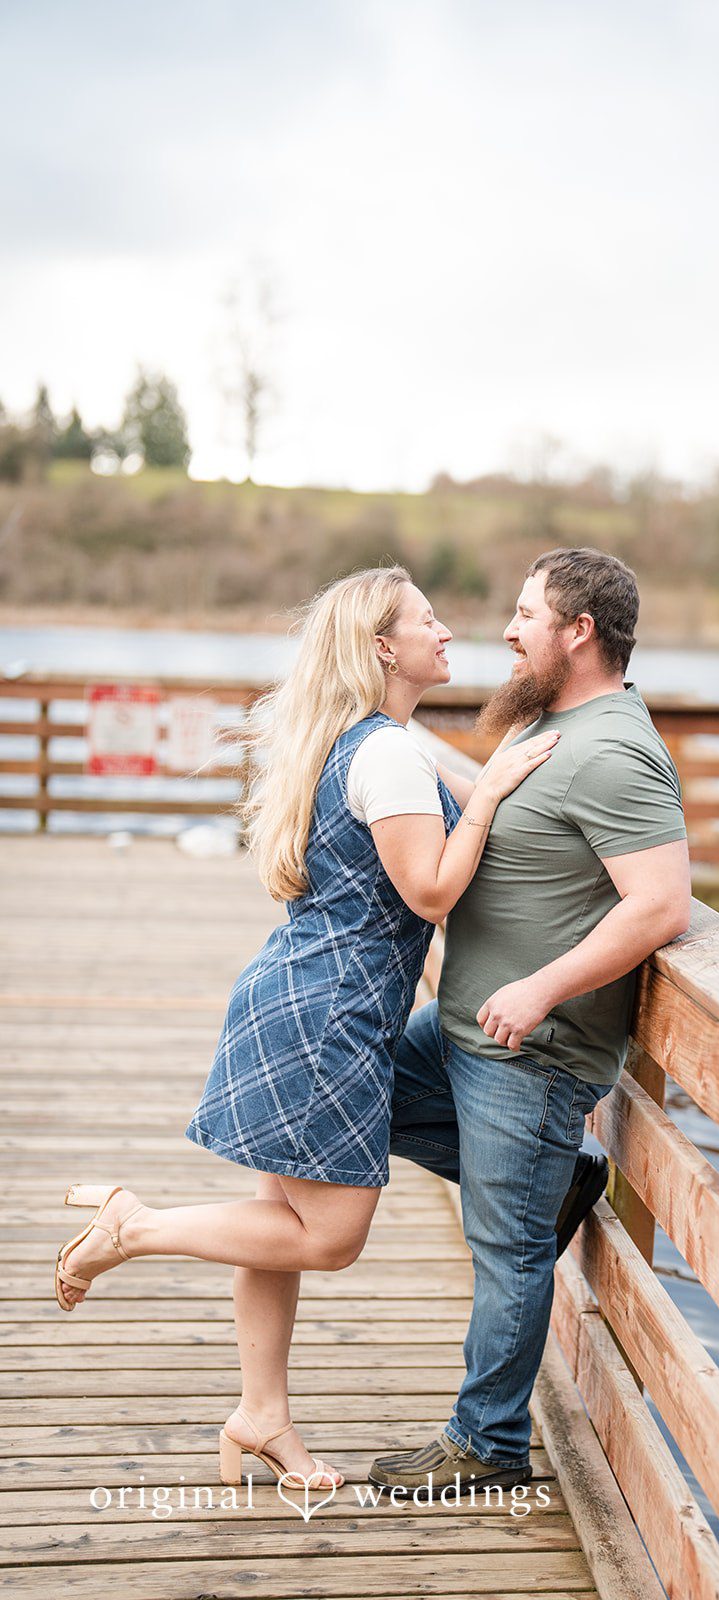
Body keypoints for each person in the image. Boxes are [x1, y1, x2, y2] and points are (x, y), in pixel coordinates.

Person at [51, 566, 559, 1492]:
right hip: (328, 1020)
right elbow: (433, 890)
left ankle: (261, 1415)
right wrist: (487, 799)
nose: (448, 632)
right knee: (326, 1238)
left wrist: (481, 772)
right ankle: (135, 1227)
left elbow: (417, 790)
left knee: (273, 1224)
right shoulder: (390, 756)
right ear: (381, 648)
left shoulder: (369, 739)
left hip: (298, 999)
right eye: (426, 620)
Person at [369, 546, 692, 1495]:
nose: (505, 632)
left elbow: (660, 904)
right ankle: (563, 1176)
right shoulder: (556, 726)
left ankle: (487, 1444)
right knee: (351, 1098)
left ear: (578, 631)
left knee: (506, 1250)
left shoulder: (618, 751)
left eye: (525, 615)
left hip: (530, 1050)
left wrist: (542, 987)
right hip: (461, 1029)